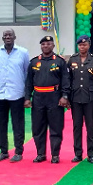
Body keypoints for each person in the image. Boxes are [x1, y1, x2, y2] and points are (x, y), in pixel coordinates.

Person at [24, 36, 70, 164]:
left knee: (56, 127)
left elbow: (66, 81)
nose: (46, 46)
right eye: (43, 44)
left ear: (53, 46)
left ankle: (55, 154)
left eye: (48, 44)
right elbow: (28, 82)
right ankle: (41, 153)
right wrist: (27, 97)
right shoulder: (34, 62)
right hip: (38, 97)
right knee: (38, 127)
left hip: (54, 97)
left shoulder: (60, 61)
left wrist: (64, 96)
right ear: (41, 46)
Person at [0, 29, 29, 163]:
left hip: (17, 94)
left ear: (14, 37)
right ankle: (3, 151)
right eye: (5, 35)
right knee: (1, 124)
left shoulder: (23, 52)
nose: (7, 37)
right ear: (2, 38)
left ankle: (18, 151)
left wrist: (26, 95)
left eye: (10, 35)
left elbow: (26, 74)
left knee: (18, 124)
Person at [68, 35, 93, 163]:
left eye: (85, 44)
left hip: (90, 98)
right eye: (80, 45)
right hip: (75, 97)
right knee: (77, 126)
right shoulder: (72, 59)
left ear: (89, 45)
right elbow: (69, 79)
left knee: (90, 127)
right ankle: (78, 153)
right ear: (78, 46)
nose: (82, 46)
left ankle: (91, 154)